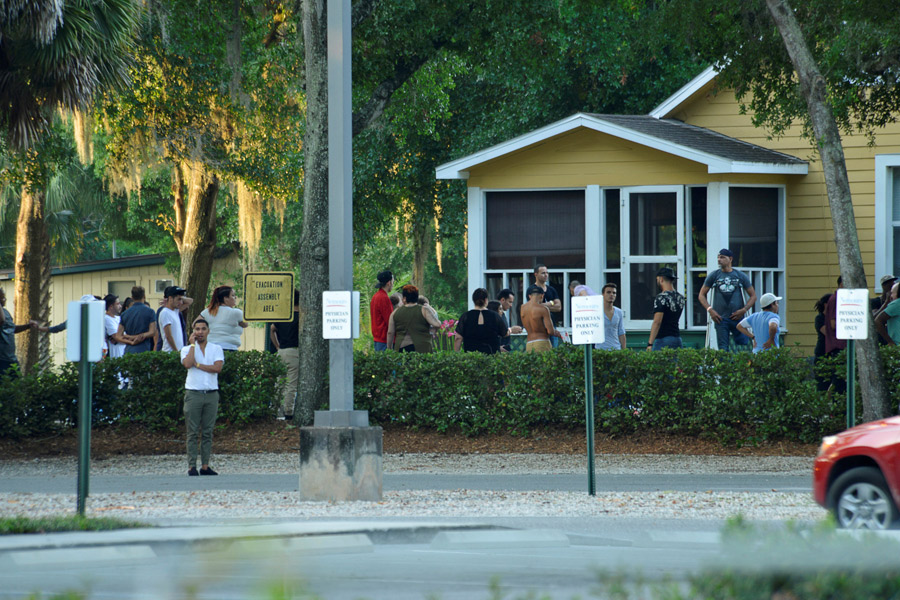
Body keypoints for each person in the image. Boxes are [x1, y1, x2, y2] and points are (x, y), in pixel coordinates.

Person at [180, 318, 224, 476]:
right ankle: (192, 466)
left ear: (208, 331)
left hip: (211, 393)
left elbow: (217, 368)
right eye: (197, 329)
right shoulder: (186, 349)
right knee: (192, 432)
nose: (200, 332)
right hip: (193, 393)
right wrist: (192, 345)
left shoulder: (216, 348)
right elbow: (187, 364)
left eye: (203, 329)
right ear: (193, 332)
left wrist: (198, 365)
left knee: (207, 431)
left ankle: (205, 466)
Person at [698, 248, 757, 352]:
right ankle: (725, 366)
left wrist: (744, 310)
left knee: (743, 343)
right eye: (718, 257)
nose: (719, 260)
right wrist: (710, 310)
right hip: (720, 318)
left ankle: (741, 365)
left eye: (722, 257)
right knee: (723, 348)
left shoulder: (740, 276)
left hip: (737, 317)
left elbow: (753, 296)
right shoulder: (714, 275)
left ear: (730, 259)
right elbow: (701, 295)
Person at [270, 290, 300, 421]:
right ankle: (288, 411)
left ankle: (274, 409)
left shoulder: (282, 315)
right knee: (291, 384)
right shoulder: (301, 317)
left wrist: (277, 345)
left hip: (281, 351)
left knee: (280, 382)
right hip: (294, 351)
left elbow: (272, 329)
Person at [386, 285, 441, 352]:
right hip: (423, 347)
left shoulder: (395, 313)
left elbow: (390, 332)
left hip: (402, 347)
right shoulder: (424, 310)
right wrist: (432, 331)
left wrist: (389, 348)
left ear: (404, 298)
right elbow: (437, 324)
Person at [454, 288, 509, 354]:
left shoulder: (465, 316)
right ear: (486, 300)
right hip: (492, 357)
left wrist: (457, 355)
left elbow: (458, 338)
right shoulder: (495, 316)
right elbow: (505, 333)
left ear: (473, 300)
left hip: (471, 357)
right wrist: (511, 330)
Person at [200, 286, 248, 351]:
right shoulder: (236, 312)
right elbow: (245, 324)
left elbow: (195, 324)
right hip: (229, 348)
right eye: (233, 295)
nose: (235, 297)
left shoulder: (208, 311)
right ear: (225, 298)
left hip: (210, 347)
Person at [647, 267, 685, 350]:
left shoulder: (661, 298)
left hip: (662, 339)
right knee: (675, 363)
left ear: (661, 279)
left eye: (657, 279)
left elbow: (657, 322)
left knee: (659, 363)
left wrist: (650, 343)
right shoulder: (681, 298)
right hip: (677, 338)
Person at [0, 288, 32, 378]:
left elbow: (12, 329)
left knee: (16, 387)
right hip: (1, 359)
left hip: (11, 359)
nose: (4, 300)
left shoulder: (6, 312)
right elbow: (1, 321)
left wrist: (28, 326)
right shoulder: (1, 316)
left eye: (4, 298)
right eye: (2, 298)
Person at [520, 284, 561, 353]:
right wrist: (556, 332)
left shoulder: (523, 308)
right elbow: (550, 331)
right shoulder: (543, 309)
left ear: (530, 296)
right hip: (542, 342)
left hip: (529, 343)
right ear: (542, 296)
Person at [119, 286, 157, 354]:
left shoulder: (124, 313)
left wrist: (131, 340)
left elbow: (118, 335)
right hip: (144, 349)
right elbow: (152, 332)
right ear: (144, 296)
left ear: (132, 297)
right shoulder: (150, 312)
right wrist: (140, 336)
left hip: (129, 350)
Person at [596, 283, 627, 351]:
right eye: (608, 292)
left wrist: (624, 350)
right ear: (603, 294)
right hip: (600, 349)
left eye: (614, 293)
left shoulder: (619, 312)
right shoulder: (597, 312)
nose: (611, 295)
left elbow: (621, 332)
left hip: (616, 348)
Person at [370, 270, 394, 351]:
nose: (393, 285)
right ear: (389, 283)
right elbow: (390, 320)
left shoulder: (375, 296)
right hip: (384, 340)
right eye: (392, 282)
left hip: (377, 338)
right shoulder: (383, 298)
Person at [159, 286, 187, 352]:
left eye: (182, 300)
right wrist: (176, 351)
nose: (181, 302)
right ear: (170, 298)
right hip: (170, 353)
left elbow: (190, 301)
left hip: (177, 352)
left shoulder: (175, 311)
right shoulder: (165, 313)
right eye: (179, 299)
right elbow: (168, 336)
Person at [103, 294, 129, 359]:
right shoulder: (106, 319)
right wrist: (132, 341)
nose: (120, 306)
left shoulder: (118, 318)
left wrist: (122, 335)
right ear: (111, 306)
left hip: (123, 352)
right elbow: (116, 336)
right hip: (116, 355)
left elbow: (123, 334)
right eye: (117, 304)